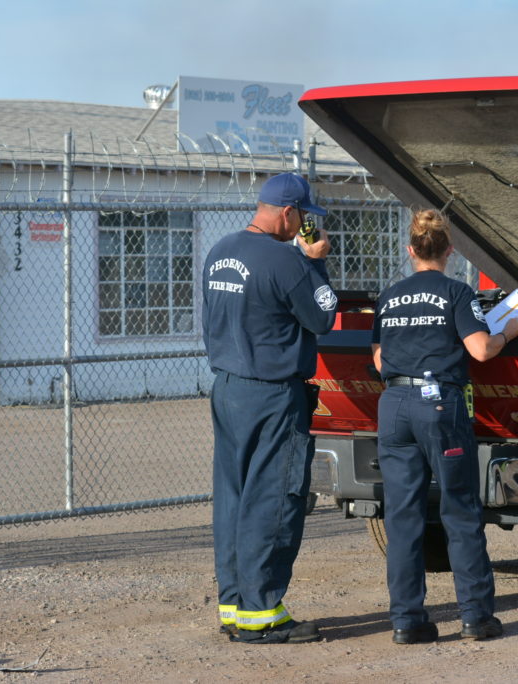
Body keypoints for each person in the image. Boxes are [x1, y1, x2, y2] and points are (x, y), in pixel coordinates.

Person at [371, 208, 518, 645]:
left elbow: (380, 360)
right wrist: (511, 331)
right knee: (458, 510)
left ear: (411, 250)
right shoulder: (456, 292)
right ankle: (475, 617)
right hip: (438, 404)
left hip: (393, 406)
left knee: (402, 517)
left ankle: (406, 622)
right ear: (450, 251)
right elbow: (481, 350)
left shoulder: (389, 296)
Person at [201, 172, 337, 644]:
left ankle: (235, 605)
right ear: (287, 213)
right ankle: (262, 615)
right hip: (273, 394)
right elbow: (323, 317)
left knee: (234, 499)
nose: (304, 226)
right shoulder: (286, 260)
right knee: (273, 498)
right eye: (303, 217)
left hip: (227, 387)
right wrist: (316, 262)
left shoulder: (220, 251)